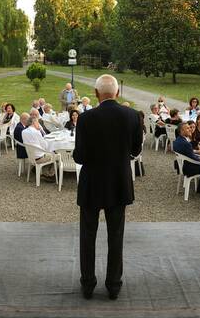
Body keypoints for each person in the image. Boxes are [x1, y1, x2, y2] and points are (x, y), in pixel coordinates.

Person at [73, 74, 142, 300]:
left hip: (92, 183)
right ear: (117, 93)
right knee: (116, 236)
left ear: (95, 94)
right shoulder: (132, 115)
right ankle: (113, 284)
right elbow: (136, 150)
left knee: (87, 236)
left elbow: (80, 157)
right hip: (119, 183)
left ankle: (88, 284)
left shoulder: (85, 119)